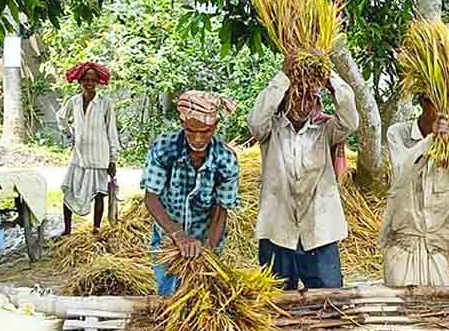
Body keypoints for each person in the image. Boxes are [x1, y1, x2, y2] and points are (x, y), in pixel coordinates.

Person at [248, 52, 359, 290]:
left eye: (310, 97)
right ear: (286, 97)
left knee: (329, 304)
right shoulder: (271, 131)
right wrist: (283, 76)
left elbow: (351, 120)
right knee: (277, 307)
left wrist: (329, 77)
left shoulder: (325, 131)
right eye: (297, 96)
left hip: (320, 234)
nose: (303, 103)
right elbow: (256, 122)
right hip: (277, 232)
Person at [140, 91, 240, 295]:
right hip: (168, 237)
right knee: (167, 295)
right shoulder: (164, 148)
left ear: (215, 126)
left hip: (206, 236)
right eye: (191, 131)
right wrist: (178, 235)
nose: (197, 138)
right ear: (182, 124)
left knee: (202, 298)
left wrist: (208, 254)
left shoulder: (226, 160)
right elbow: (151, 198)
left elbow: (221, 211)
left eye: (205, 132)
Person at [380, 96, 449, 286]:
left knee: (435, 309)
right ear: (424, 103)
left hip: (437, 245)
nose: (446, 114)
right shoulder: (398, 134)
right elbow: (400, 173)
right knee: (400, 308)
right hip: (402, 244)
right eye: (440, 106)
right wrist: (430, 140)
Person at [57, 62, 119, 235]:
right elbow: (61, 117)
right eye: (85, 79)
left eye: (92, 80)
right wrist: (70, 135)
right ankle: (67, 230)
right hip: (78, 157)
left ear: (98, 82)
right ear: (79, 81)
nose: (89, 83)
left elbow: (111, 131)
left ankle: (96, 229)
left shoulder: (105, 103)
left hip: (100, 157)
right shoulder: (74, 102)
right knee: (68, 191)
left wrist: (112, 159)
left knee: (99, 194)